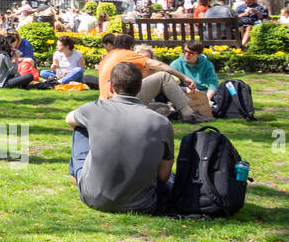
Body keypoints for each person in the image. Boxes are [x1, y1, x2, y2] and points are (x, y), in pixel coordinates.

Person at [65, 62, 175, 214]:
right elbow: (163, 175)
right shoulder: (162, 122)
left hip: (94, 198)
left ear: (110, 87)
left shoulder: (93, 109)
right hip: (143, 203)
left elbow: (69, 119)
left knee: (80, 128)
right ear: (140, 88)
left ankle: (80, 179)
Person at [95, 33, 211, 121]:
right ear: (131, 47)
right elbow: (159, 65)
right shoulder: (127, 54)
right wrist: (184, 77)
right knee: (163, 76)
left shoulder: (106, 58)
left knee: (162, 108)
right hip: (119, 102)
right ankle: (189, 114)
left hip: (105, 106)